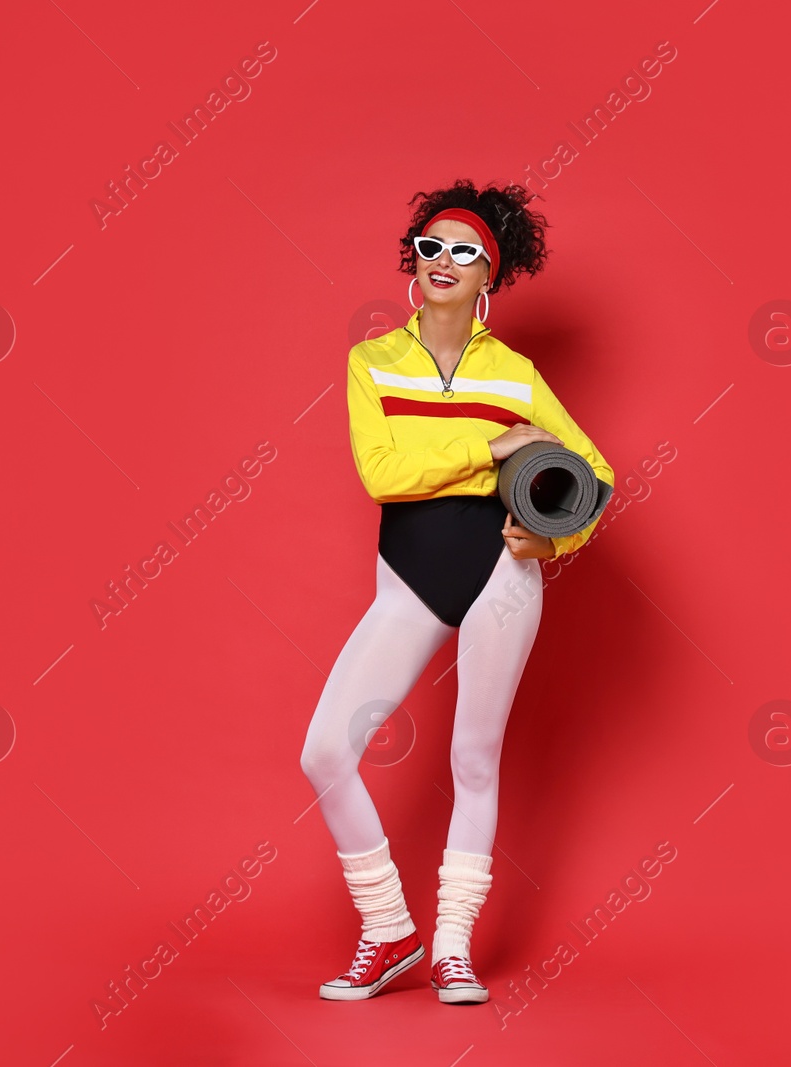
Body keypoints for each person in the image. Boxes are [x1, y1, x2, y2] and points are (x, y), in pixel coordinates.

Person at [300, 179, 614, 1004]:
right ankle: (388, 928)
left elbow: (596, 477)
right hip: (410, 578)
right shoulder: (373, 360)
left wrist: (554, 536)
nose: (444, 260)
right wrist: (491, 444)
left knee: (474, 759)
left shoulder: (517, 374)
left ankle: (450, 950)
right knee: (325, 750)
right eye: (431, 246)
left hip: (505, 578)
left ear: (490, 275)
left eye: (464, 250)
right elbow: (385, 475)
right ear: (415, 261)